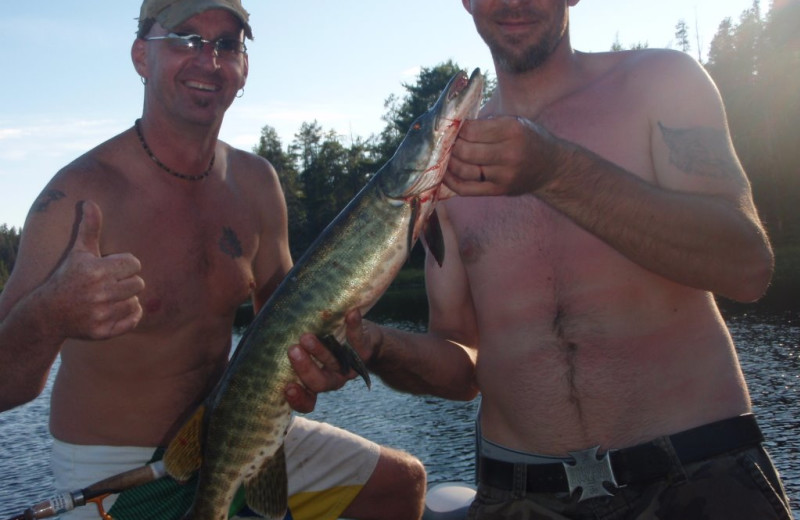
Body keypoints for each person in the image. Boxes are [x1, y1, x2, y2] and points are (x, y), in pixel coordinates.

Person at [285, 0, 793, 518]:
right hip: (522, 494)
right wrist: (373, 345)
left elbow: (748, 265)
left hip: (698, 471)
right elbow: (460, 365)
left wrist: (557, 172)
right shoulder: (446, 166)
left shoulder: (661, 83)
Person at [0, 1, 426, 519]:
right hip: (114, 470)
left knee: (399, 483)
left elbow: (294, 323)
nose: (210, 61)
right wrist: (51, 314)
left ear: (244, 68)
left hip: (233, 433)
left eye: (228, 44)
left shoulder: (256, 183)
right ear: (141, 56)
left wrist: (325, 363)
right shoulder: (78, 196)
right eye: (184, 39)